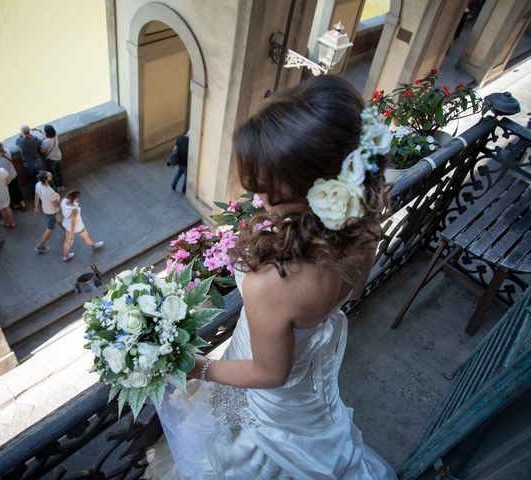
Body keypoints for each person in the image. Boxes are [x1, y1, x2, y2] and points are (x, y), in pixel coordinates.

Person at [146, 76, 397, 479]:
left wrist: (200, 369)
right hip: (306, 370)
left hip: (270, 388)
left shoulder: (274, 283)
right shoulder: (362, 227)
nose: (261, 196)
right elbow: (355, 290)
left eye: (268, 189)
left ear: (315, 189)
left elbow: (268, 373)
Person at [60, 189, 103, 262]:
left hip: (66, 223)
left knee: (67, 241)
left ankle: (66, 256)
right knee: (85, 237)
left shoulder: (63, 201)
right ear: (76, 198)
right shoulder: (75, 209)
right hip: (77, 226)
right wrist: (72, 237)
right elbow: (73, 223)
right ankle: (93, 245)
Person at [0, 140, 26, 210]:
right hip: (13, 174)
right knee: (17, 189)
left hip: (6, 177)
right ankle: (23, 204)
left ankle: (16, 204)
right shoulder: (7, 152)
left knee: (11, 192)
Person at [34, 170, 61, 253]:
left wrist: (36, 207)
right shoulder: (50, 191)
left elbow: (36, 195)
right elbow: (56, 204)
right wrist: (58, 196)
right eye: (49, 175)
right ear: (47, 180)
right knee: (50, 228)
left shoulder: (38, 184)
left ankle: (67, 232)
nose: (50, 174)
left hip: (45, 209)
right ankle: (40, 245)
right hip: (52, 211)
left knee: (60, 219)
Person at [15, 124, 43, 197]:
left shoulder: (19, 141)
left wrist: (22, 134)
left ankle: (34, 196)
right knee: (40, 178)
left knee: (31, 181)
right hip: (37, 161)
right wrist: (30, 133)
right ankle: (42, 194)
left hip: (27, 164)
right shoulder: (34, 139)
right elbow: (38, 141)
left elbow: (17, 141)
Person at [35, 125, 64, 191]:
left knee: (54, 173)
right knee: (59, 172)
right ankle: (62, 185)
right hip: (59, 156)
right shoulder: (55, 136)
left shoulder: (46, 141)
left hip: (52, 159)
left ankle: (58, 187)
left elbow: (42, 151)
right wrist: (38, 129)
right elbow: (46, 134)